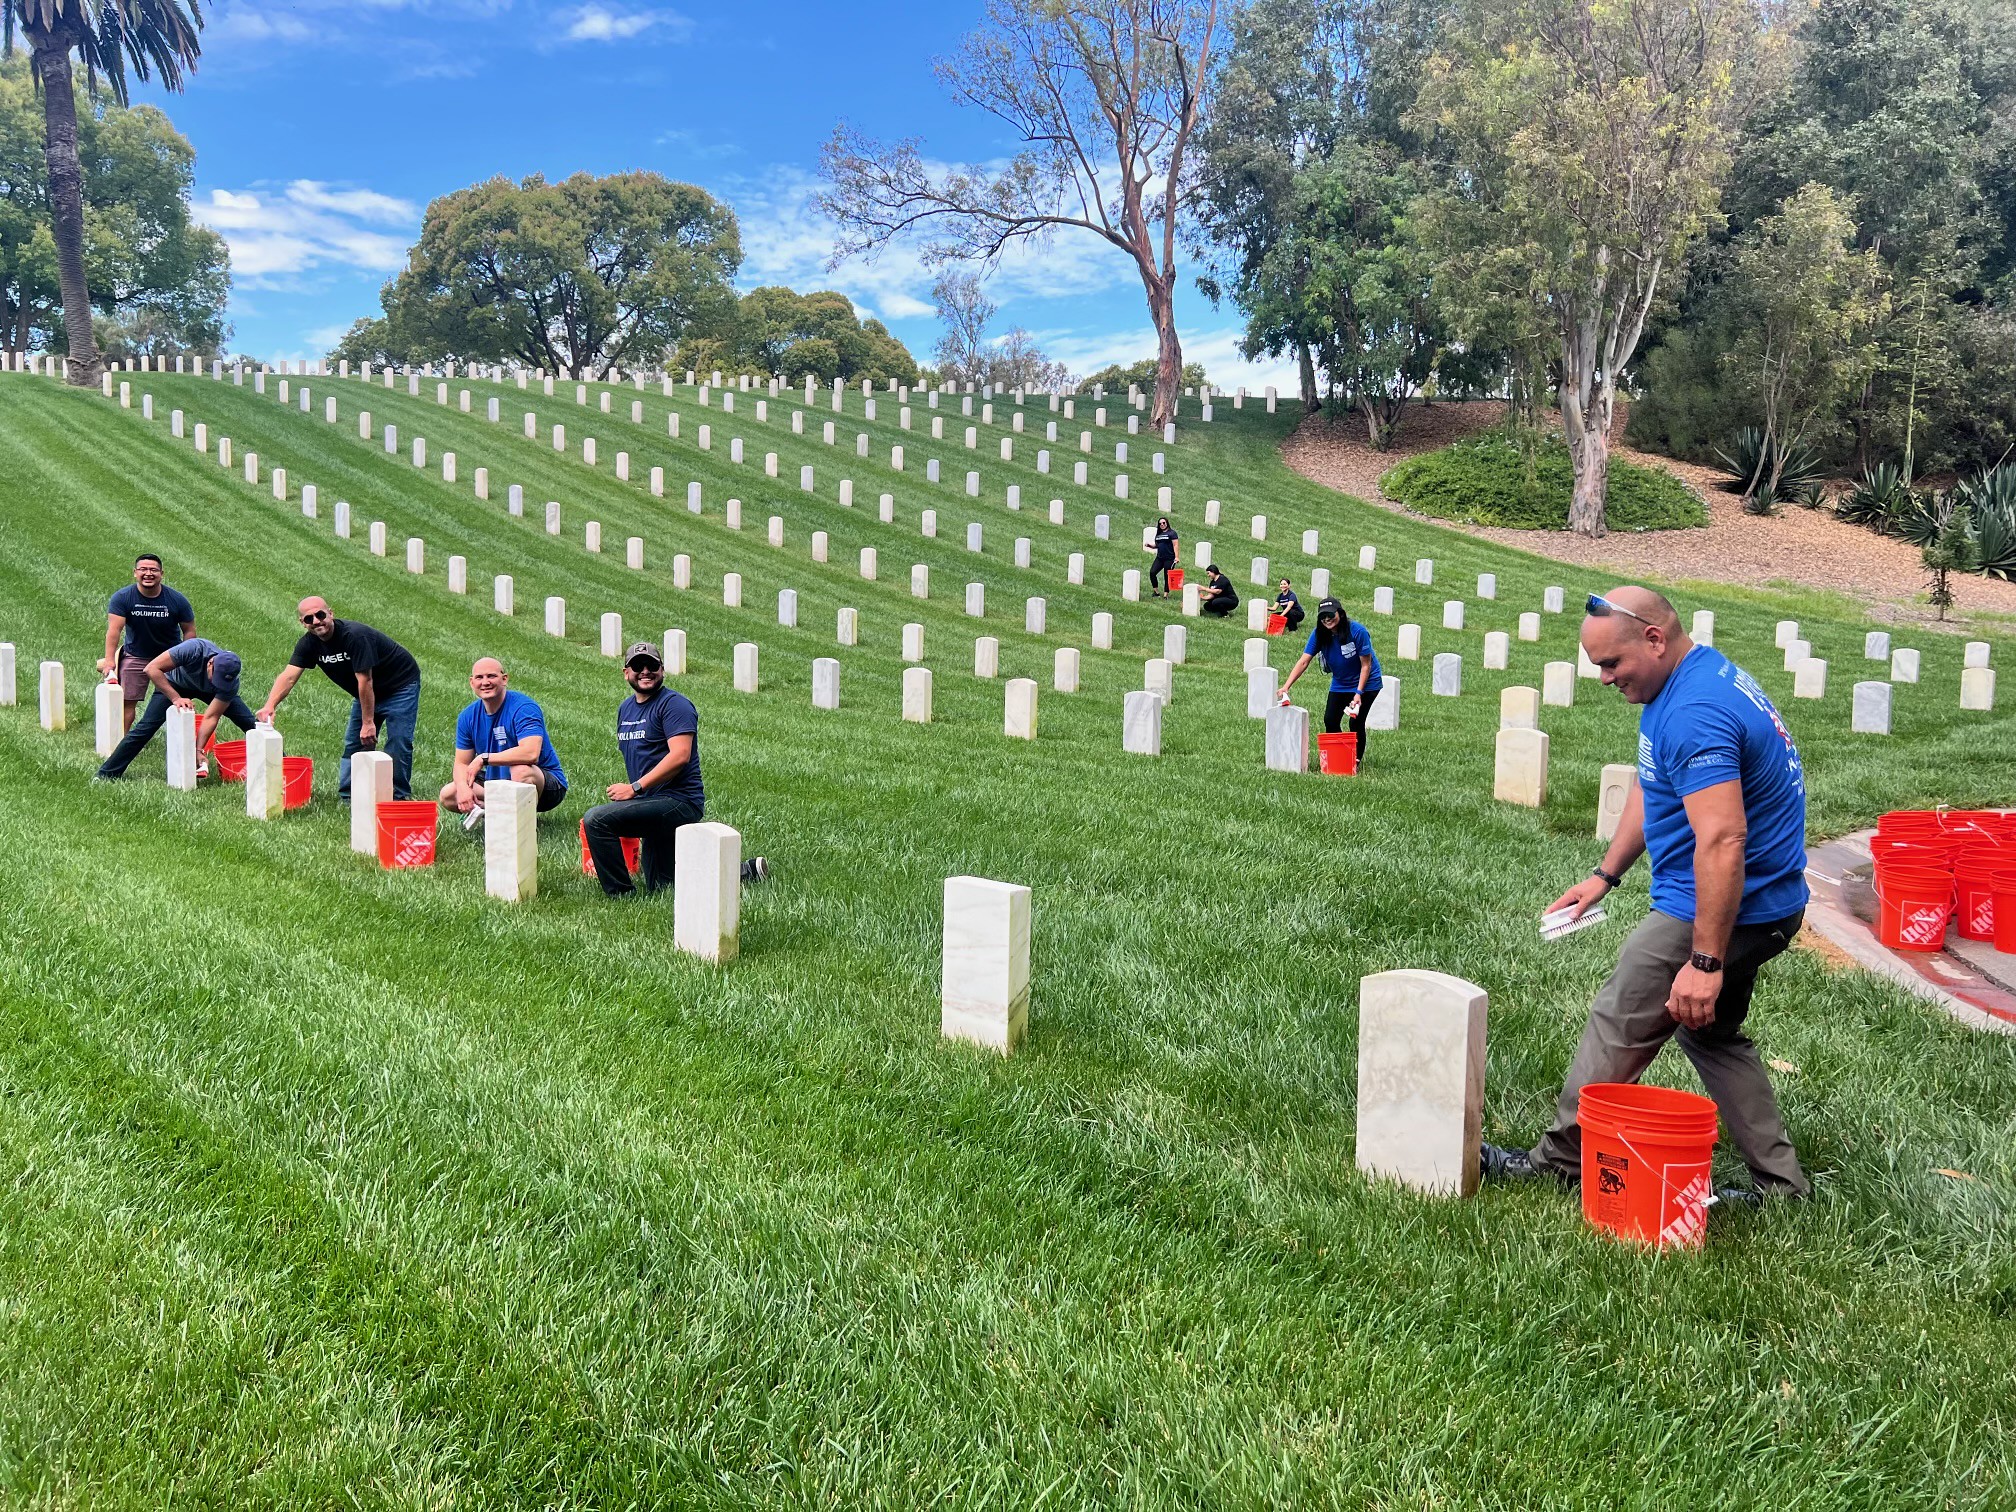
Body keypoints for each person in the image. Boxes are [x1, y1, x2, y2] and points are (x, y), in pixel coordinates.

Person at [1481, 586, 1812, 1207]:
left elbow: (1722, 839)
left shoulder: (1695, 711)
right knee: (1708, 1034)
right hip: (1766, 903)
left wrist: (1706, 961)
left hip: (1727, 906)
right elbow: (1653, 782)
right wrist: (1605, 875)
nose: (1605, 678)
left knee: (1620, 1019)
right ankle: (1782, 1188)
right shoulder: (1688, 679)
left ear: (1654, 639)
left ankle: (1558, 1163)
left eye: (1611, 664)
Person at [581, 642, 767, 898]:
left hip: (678, 801)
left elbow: (680, 755)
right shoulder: (626, 709)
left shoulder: (674, 705)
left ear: (663, 670)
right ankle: (743, 872)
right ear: (626, 672)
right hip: (651, 801)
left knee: (597, 820)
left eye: (652, 666)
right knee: (663, 885)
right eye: (638, 666)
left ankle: (621, 895)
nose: (645, 671)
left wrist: (634, 788)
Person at [257, 597, 423, 802]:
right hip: (365, 692)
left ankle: (398, 796)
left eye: (320, 615)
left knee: (398, 741)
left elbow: (365, 681)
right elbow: (289, 676)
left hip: (399, 686)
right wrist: (270, 705)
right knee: (354, 743)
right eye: (309, 618)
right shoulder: (309, 644)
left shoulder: (355, 636)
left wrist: (368, 721)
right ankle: (349, 795)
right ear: (303, 623)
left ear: (331, 613)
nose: (316, 621)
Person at [95, 637, 259, 781]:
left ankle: (280, 767)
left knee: (251, 724)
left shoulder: (229, 684)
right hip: (174, 684)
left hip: (210, 693)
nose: (216, 681)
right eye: (215, 677)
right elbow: (151, 669)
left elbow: (211, 717)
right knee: (145, 728)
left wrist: (198, 750)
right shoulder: (194, 649)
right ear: (210, 663)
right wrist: (175, 698)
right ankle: (106, 774)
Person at [439, 658, 568, 824]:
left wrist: (483, 758)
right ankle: (496, 810)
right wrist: (464, 789)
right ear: (472, 682)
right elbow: (461, 763)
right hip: (498, 782)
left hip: (544, 786)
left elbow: (530, 753)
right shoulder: (468, 716)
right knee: (449, 794)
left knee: (520, 770)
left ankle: (518, 826)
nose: (485, 682)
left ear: (504, 679)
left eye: (491, 676)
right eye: (479, 677)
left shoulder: (524, 707)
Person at [1277, 597, 1382, 760]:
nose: (1327, 619)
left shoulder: (1358, 631)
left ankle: (1355, 760)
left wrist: (1358, 693)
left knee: (1355, 723)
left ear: (1340, 613)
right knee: (1330, 720)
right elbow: (1304, 661)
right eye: (1322, 616)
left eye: (1330, 615)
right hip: (1340, 682)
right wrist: (1286, 686)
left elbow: (1366, 665)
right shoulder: (1319, 634)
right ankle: (1342, 756)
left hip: (1368, 683)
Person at [99, 553, 194, 733]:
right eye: (143, 569)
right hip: (136, 655)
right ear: (135, 573)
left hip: (169, 658)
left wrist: (184, 658)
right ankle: (123, 742)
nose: (148, 573)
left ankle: (182, 741)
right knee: (127, 701)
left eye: (153, 570)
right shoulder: (123, 598)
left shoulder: (176, 600)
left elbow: (189, 630)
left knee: (179, 700)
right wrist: (109, 660)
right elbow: (114, 631)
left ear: (161, 573)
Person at [1147, 516, 1179, 598]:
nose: (1162, 524)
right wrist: (1151, 546)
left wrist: (1176, 557)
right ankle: (1156, 591)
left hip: (1170, 558)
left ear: (1167, 523)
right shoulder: (1159, 534)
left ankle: (1166, 595)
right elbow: (1158, 545)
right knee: (1152, 572)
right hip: (1160, 558)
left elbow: (1175, 545)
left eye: (1163, 523)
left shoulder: (1172, 533)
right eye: (1160, 523)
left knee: (1167, 575)